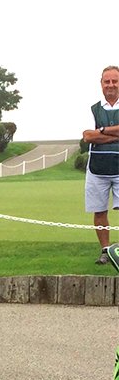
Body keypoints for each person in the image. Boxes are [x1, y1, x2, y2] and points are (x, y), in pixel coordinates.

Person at [81, 65, 119, 265]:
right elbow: (88, 136)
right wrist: (114, 135)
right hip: (97, 167)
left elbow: (95, 134)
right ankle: (105, 250)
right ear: (101, 84)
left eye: (115, 81)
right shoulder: (93, 108)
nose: (111, 85)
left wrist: (102, 132)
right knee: (99, 211)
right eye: (107, 81)